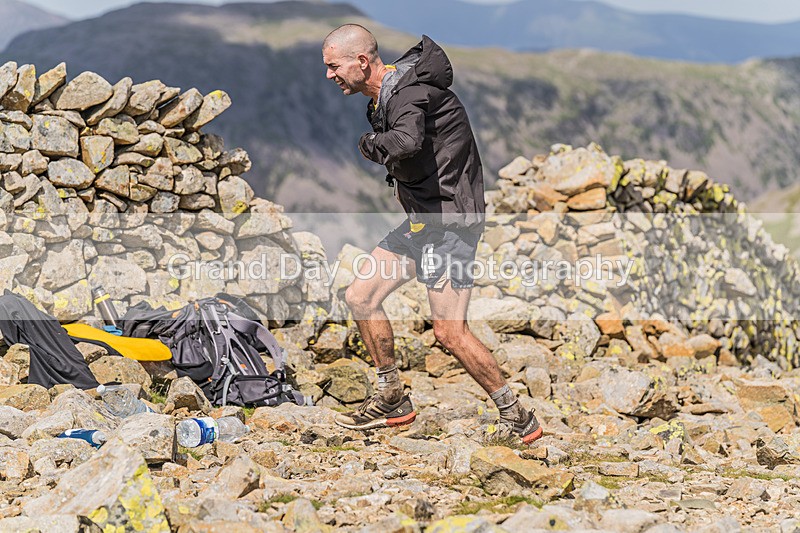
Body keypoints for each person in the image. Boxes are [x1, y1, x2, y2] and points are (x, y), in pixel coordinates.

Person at [321, 24, 543, 444]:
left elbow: (404, 142)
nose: (329, 75)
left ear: (362, 62)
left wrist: (369, 145)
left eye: (334, 66)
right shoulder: (390, 94)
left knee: (449, 332)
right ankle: (392, 397)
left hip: (451, 225)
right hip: (425, 221)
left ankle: (518, 416)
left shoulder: (408, 94)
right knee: (360, 296)